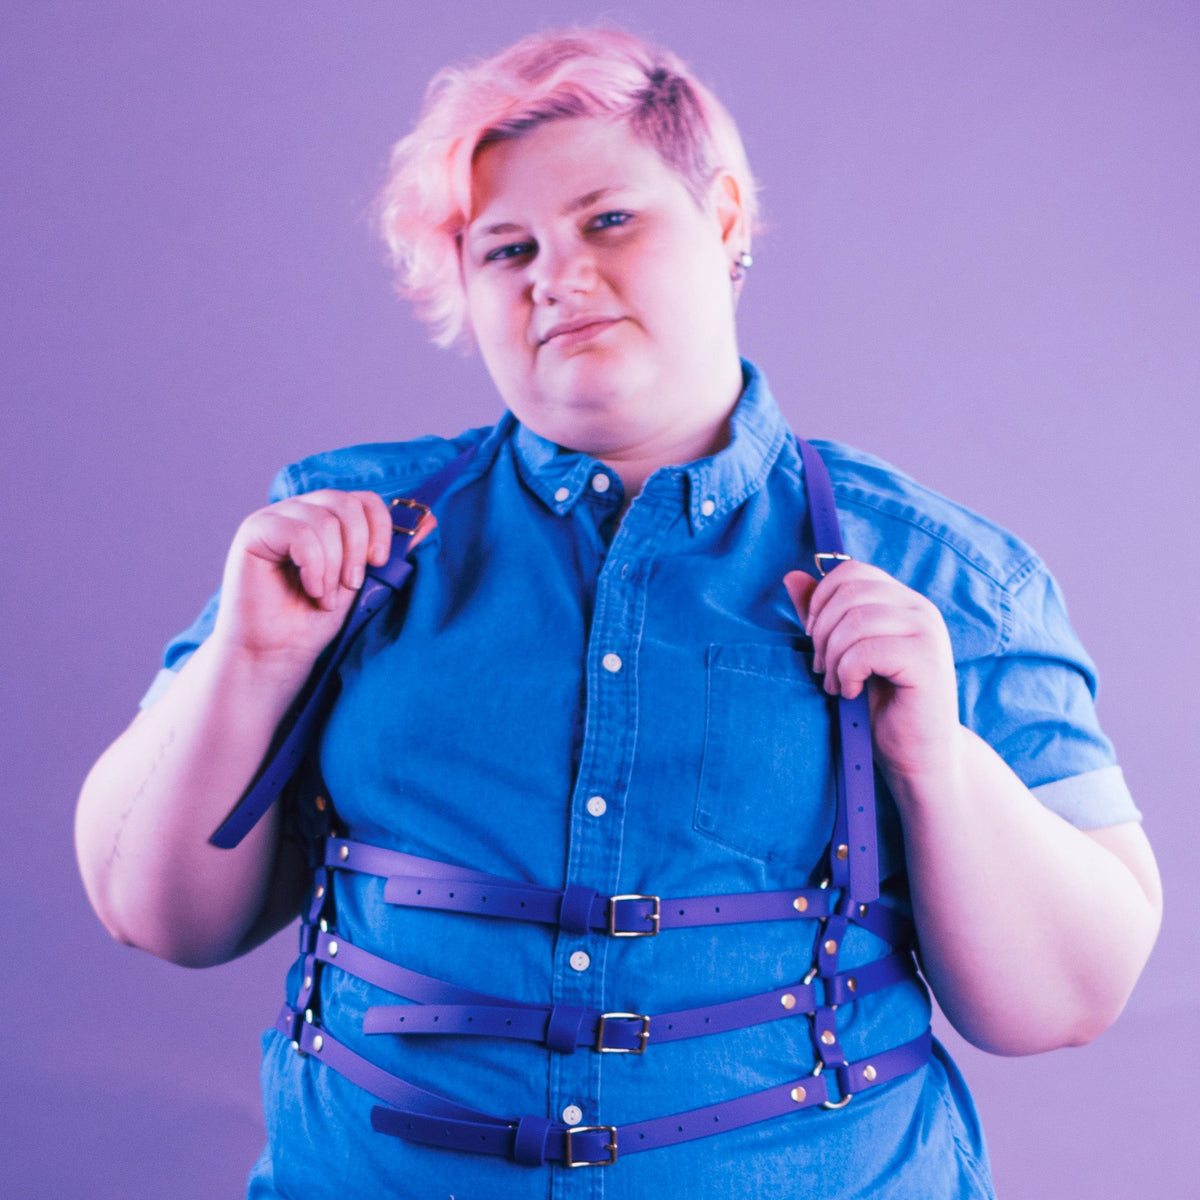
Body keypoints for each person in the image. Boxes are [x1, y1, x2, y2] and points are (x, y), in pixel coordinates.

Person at [75, 27, 1162, 1200]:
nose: (555, 275)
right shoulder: (338, 541)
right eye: (505, 249)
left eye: (608, 220)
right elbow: (154, 913)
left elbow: (1069, 998)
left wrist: (938, 759)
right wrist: (250, 661)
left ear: (729, 219)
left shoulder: (948, 574)